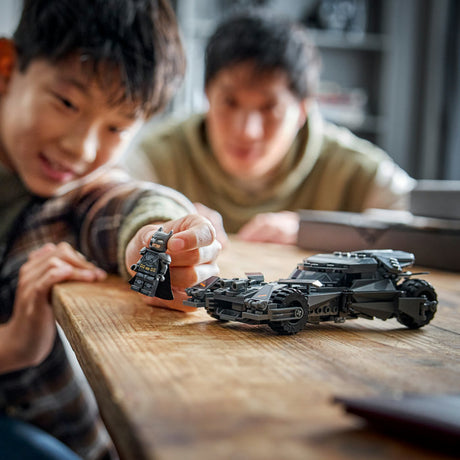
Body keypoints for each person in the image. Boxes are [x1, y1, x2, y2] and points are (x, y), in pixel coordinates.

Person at [0, 1, 220, 459]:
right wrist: (12, 347)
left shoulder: (70, 194)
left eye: (117, 127)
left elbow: (122, 200)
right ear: (6, 69)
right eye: (66, 103)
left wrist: (156, 234)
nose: (80, 147)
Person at [124, 8, 415, 245]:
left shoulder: (357, 169)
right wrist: (160, 218)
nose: (247, 131)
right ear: (206, 95)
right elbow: (107, 208)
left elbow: (425, 231)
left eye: (269, 109)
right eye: (229, 102)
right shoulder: (157, 154)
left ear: (302, 109)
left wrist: (318, 232)